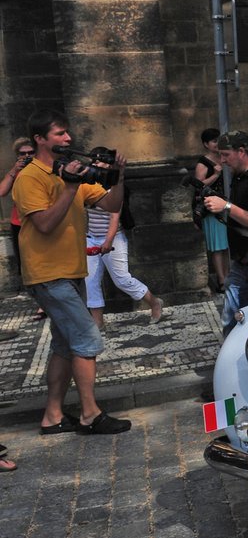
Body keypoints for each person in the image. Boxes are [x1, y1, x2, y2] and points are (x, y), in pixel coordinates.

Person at [12, 108, 134, 435]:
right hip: (47, 274)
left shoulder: (70, 173)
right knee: (87, 337)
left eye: (67, 133)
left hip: (70, 271)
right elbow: (45, 224)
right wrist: (69, 187)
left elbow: (110, 205)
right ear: (40, 139)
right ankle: (90, 414)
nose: (68, 139)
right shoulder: (30, 177)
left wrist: (118, 177)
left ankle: (52, 415)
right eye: (60, 134)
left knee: (65, 345)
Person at [201, 131, 248, 336]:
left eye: (226, 154)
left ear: (241, 151)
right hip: (241, 261)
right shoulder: (239, 174)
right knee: (230, 319)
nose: (222, 160)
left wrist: (226, 206)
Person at [85, 161, 164, 330]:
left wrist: (108, 241)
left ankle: (154, 302)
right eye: (96, 164)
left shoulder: (114, 189)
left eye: (103, 165)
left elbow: (114, 217)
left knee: (121, 279)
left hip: (113, 239)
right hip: (90, 238)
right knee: (90, 281)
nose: (99, 168)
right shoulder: (87, 186)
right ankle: (97, 323)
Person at [0, 138, 44, 319]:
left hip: (39, 222)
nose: (26, 156)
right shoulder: (16, 173)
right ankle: (41, 302)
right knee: (25, 267)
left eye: (30, 153)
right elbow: (1, 192)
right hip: (19, 224)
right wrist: (14, 171)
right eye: (22, 154)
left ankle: (47, 303)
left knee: (43, 262)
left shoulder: (42, 169)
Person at [194, 128, 229, 291]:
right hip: (212, 208)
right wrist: (215, 174)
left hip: (227, 206)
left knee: (227, 244)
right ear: (206, 144)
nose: (217, 143)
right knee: (217, 247)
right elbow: (198, 185)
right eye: (214, 141)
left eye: (218, 140)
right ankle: (222, 280)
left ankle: (229, 277)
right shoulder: (204, 163)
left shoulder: (225, 157)